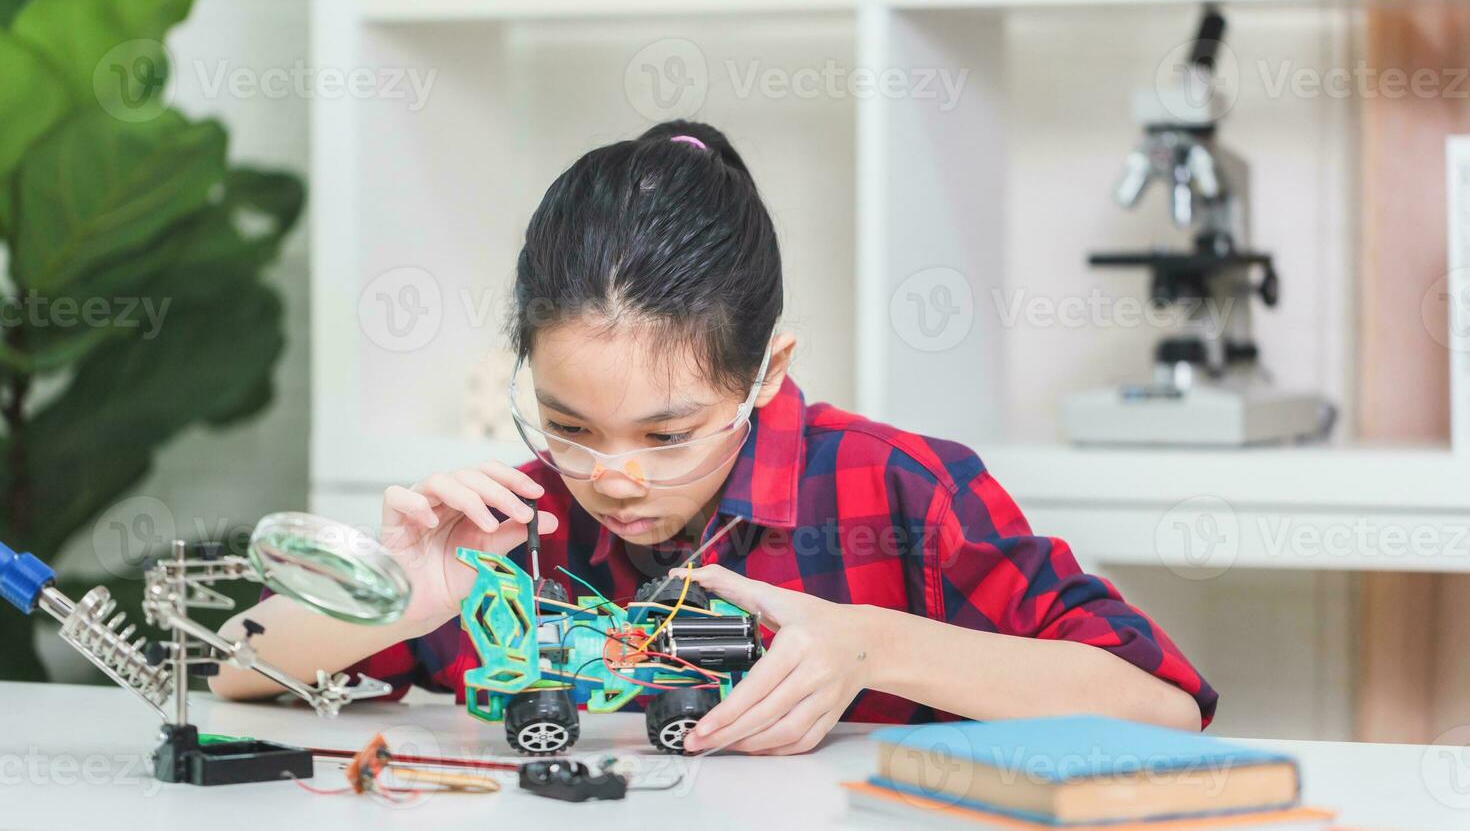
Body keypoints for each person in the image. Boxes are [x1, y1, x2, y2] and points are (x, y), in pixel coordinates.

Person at [213, 121, 1216, 755]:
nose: (613, 476)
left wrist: (871, 646)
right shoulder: (520, 519)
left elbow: (1162, 707)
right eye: (568, 425)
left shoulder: (905, 488)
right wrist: (400, 594)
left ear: (767, 371)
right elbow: (234, 667)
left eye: (668, 432)